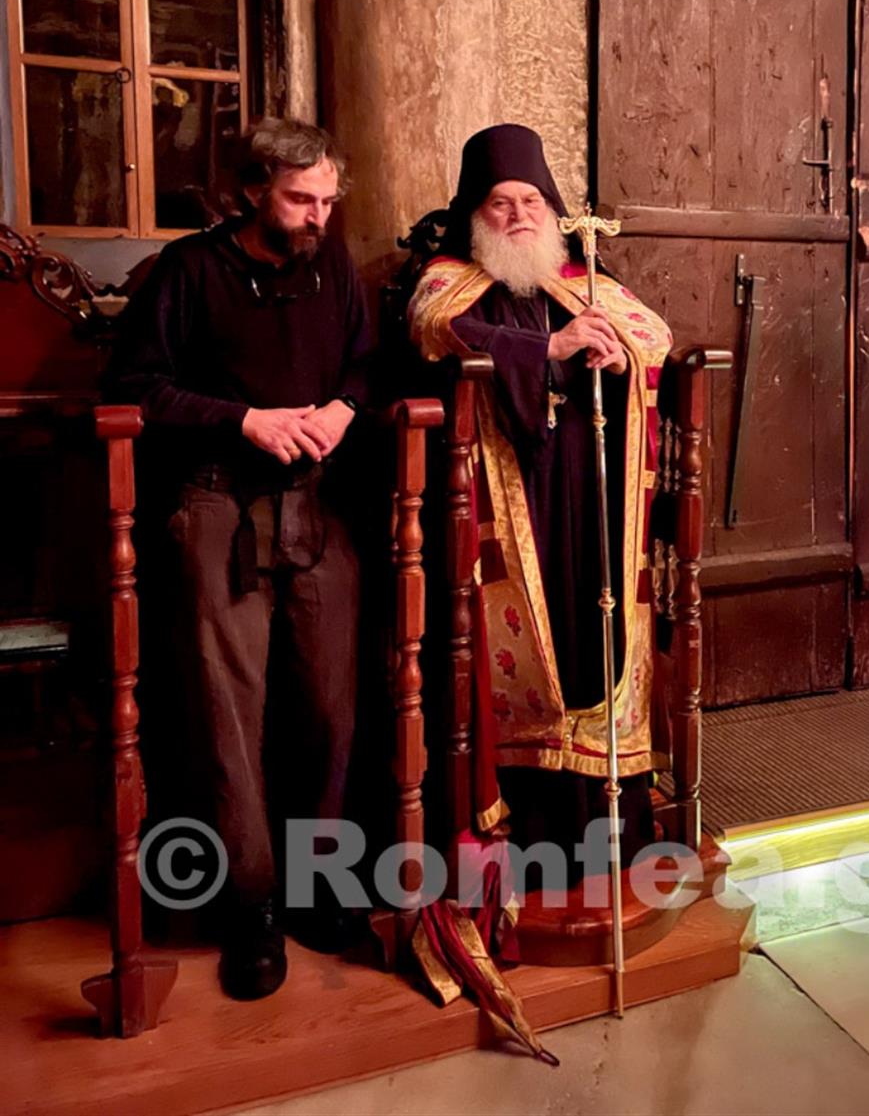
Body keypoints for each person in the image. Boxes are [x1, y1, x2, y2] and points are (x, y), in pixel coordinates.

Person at [108, 118, 369, 1000]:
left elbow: (367, 365)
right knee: (232, 714)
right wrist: (243, 419)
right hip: (219, 501)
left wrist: (341, 408)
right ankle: (250, 905)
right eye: (300, 199)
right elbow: (135, 385)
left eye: (328, 199)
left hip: (314, 506)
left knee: (329, 706)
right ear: (253, 191)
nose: (318, 216)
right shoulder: (188, 270)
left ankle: (319, 885)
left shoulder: (334, 265)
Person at [406, 123, 673, 886]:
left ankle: (607, 833)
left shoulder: (582, 281)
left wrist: (616, 356)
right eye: (500, 202)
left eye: (531, 200)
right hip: (505, 505)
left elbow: (652, 338)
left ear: (552, 209)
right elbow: (436, 332)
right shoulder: (447, 282)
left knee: (595, 643)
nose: (518, 214)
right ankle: (522, 839)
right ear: (474, 214)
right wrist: (549, 350)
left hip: (589, 505)